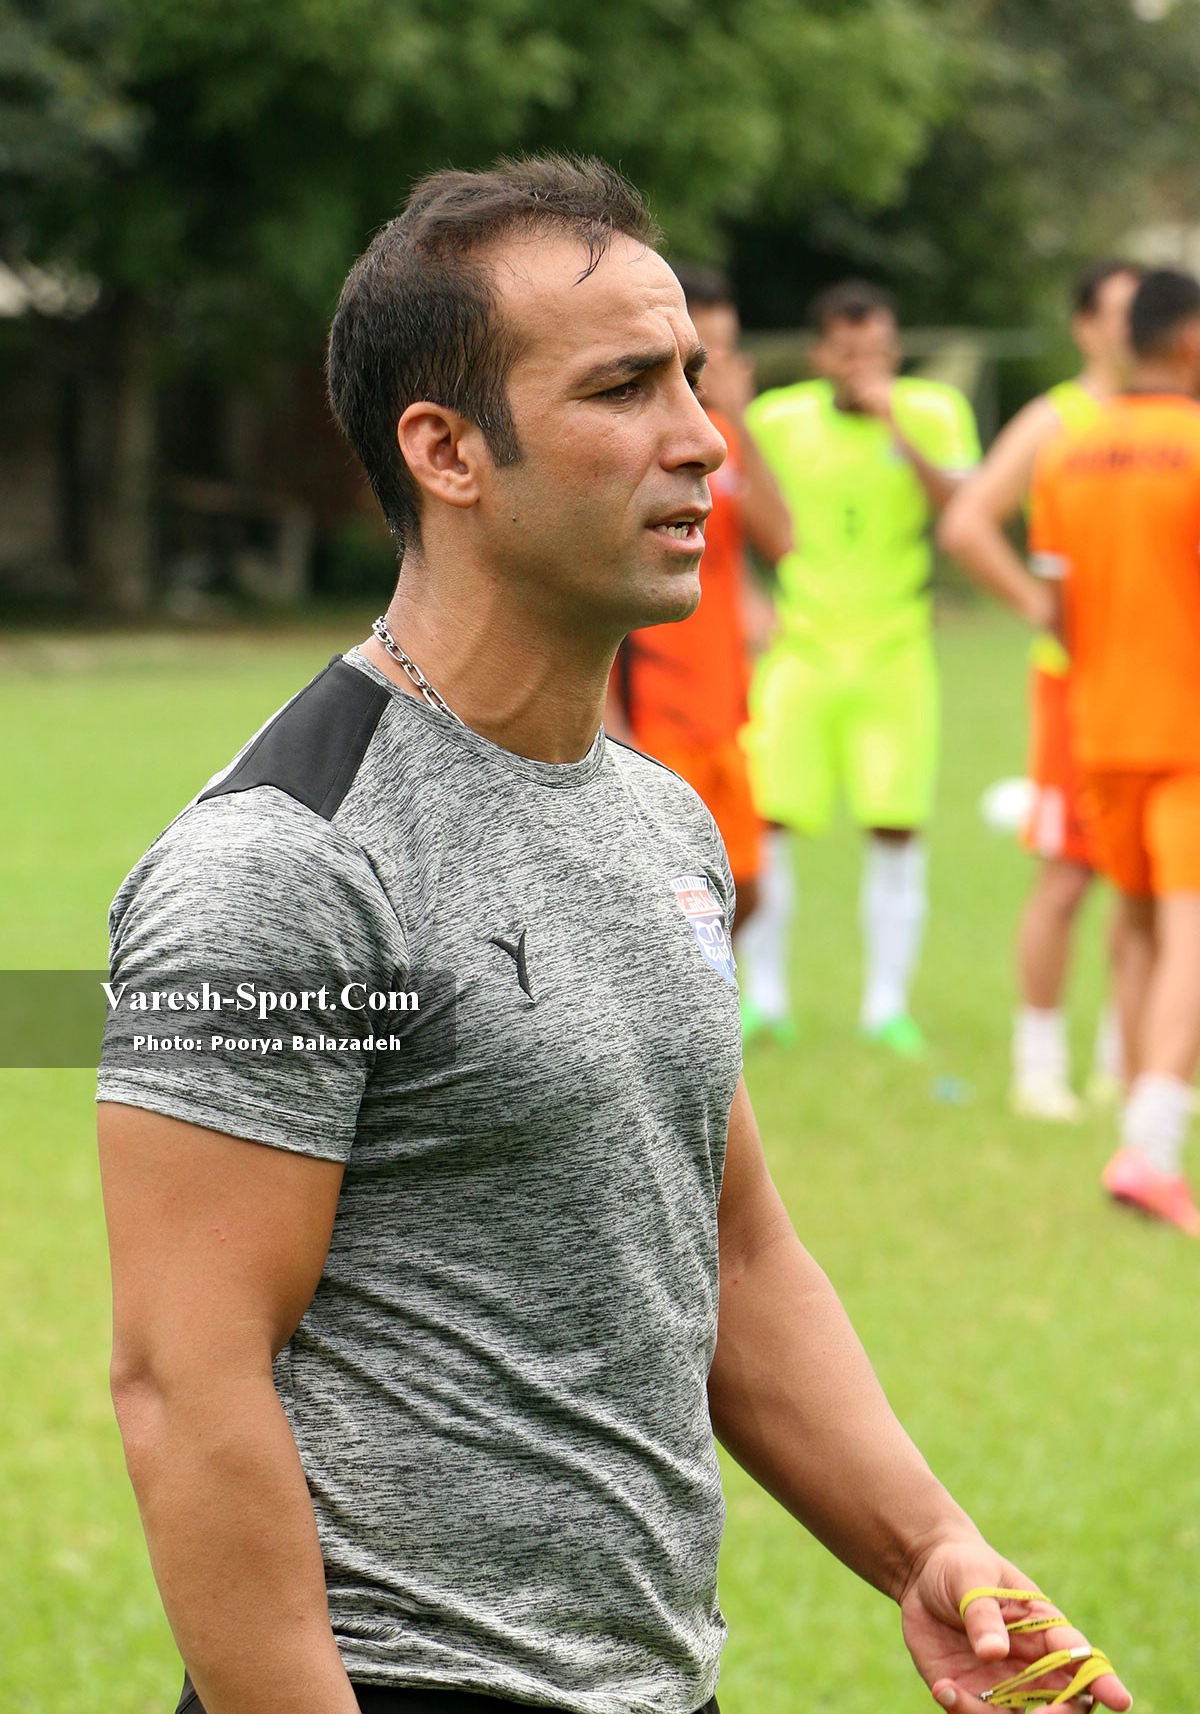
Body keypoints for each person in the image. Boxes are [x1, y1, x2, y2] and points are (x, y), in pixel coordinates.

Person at [97, 157, 1130, 1714]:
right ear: (446, 451)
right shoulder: (284, 866)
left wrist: (926, 1544)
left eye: (694, 378)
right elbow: (186, 1385)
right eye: (625, 387)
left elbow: (734, 1249)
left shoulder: (661, 823)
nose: (704, 438)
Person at [737, 281, 981, 1054]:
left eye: (877, 352)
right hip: (801, 650)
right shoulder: (778, 419)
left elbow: (964, 513)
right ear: (820, 356)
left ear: (896, 351)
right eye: (847, 353)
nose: (863, 367)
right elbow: (729, 506)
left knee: (895, 827)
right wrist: (748, 598)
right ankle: (765, 999)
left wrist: (895, 427)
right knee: (767, 824)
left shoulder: (933, 411)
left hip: (894, 652)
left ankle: (886, 1008)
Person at [939, 261, 1143, 1121]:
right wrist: (1037, 606)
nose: (1138, 328)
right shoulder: (1060, 420)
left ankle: (1129, 1068)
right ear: (1085, 327)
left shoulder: (1177, 417)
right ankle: (1039, 1066)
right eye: (1122, 313)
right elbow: (967, 523)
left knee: (1151, 884)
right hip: (1079, 689)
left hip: (1165, 688)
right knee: (1068, 877)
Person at [1030, 265, 1200, 1235]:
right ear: (1189, 341)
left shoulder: (1071, 454)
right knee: (1190, 928)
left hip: (1100, 730)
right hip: (1190, 733)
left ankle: (1142, 1124)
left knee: (1136, 925)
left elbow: (1058, 610)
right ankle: (1154, 1147)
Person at [605, 262, 792, 927]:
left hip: (726, 706)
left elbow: (781, 538)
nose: (711, 374)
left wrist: (741, 419)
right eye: (697, 358)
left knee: (745, 890)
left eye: (722, 353)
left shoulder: (727, 444)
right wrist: (612, 718)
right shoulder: (639, 451)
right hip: (657, 705)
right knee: (674, 902)